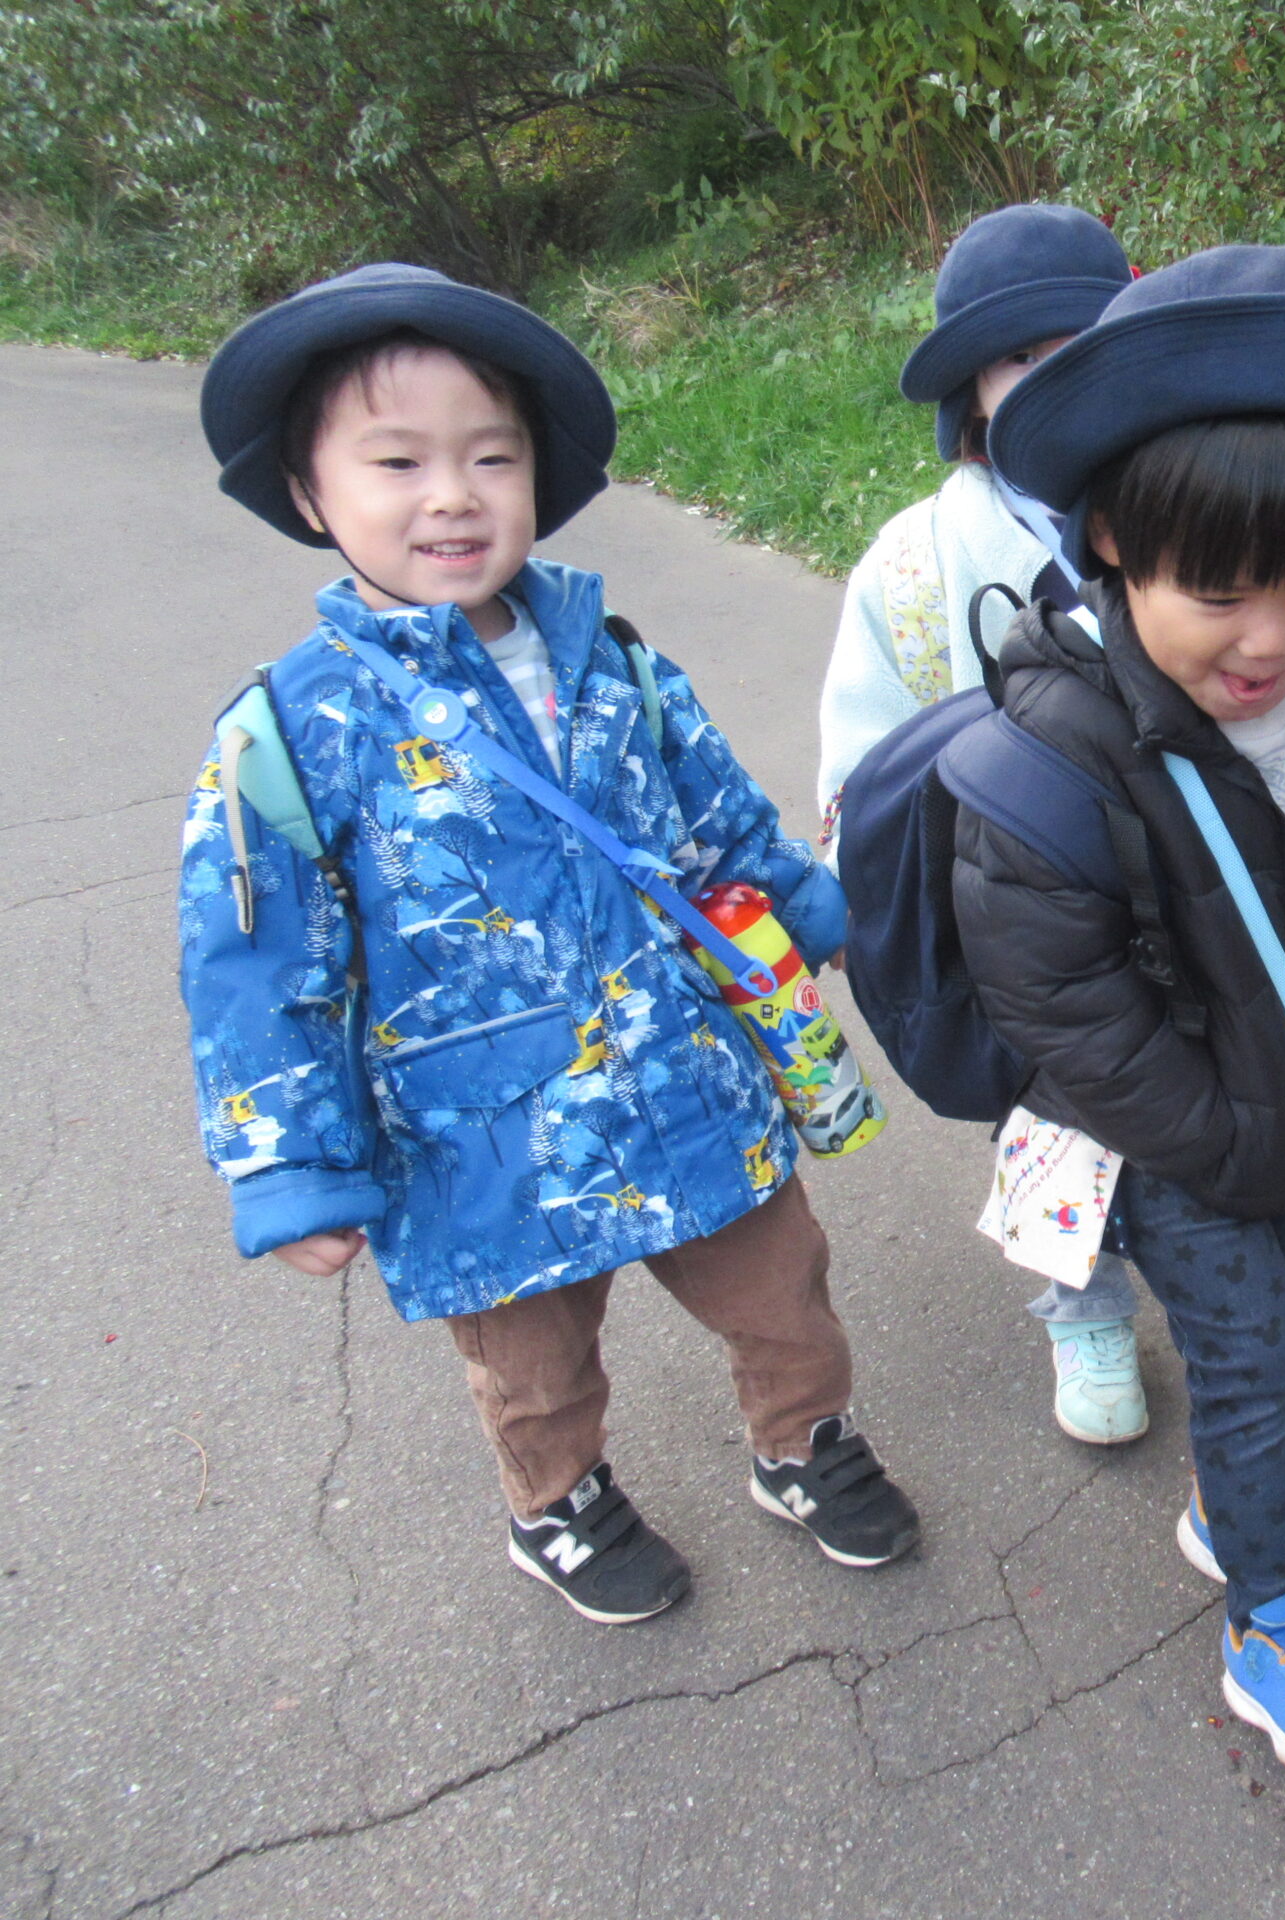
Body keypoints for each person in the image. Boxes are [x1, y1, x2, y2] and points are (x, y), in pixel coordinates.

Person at [181, 263, 920, 1626]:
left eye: (490, 457)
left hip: (684, 1071)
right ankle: (557, 1501)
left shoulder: (613, 660)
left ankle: (801, 1442)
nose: (451, 495)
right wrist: (292, 1163)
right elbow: (256, 962)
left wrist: (802, 908)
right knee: (531, 1358)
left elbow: (714, 818)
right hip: (479, 1130)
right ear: (309, 495)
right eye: (396, 461)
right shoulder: (290, 733)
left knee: (781, 1291)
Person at [960, 245, 1285, 1771]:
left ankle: (1219, 1506)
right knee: (1251, 1354)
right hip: (1165, 1132)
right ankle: (1274, 1618)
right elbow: (1065, 1006)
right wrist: (1226, 1147)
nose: (1270, 643)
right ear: (1114, 540)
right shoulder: (1052, 751)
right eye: (1221, 593)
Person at [812, 203, 1157, 1448]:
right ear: (972, 390)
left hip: (1172, 877)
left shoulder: (1179, 500)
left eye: (1090, 344)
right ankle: (1080, 1301)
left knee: (1185, 1068)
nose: (1057, 379)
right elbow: (867, 753)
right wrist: (858, 894)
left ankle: (1212, 1263)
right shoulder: (913, 562)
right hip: (1002, 892)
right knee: (1046, 1102)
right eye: (1023, 359)